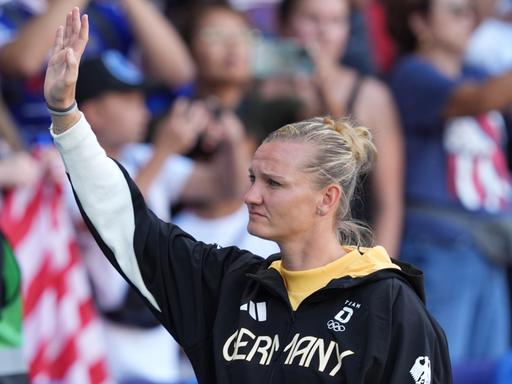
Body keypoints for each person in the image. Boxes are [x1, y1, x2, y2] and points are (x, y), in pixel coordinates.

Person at [45, 8, 451, 383]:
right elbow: (126, 222)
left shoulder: (390, 306)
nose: (250, 195)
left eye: (273, 184)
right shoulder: (227, 283)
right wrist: (66, 116)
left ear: (326, 199)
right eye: (253, 178)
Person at [71, 50, 249, 383]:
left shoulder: (141, 156)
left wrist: (232, 140)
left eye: (143, 97)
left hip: (158, 345)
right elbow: (107, 217)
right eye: (128, 99)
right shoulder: (67, 168)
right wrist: (165, 150)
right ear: (93, 112)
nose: (144, 109)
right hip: (103, 349)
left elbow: (226, 189)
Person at [382, 0, 512, 367]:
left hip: (491, 245)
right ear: (420, 22)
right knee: (437, 365)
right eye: (455, 11)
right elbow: (477, 100)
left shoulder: (477, 71)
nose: (468, 20)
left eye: (471, 11)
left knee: (491, 369)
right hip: (440, 244)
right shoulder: (411, 73)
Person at [260, 0, 404, 258]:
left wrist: (380, 269)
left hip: (345, 253)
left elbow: (388, 203)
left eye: (336, 21)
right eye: (312, 19)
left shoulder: (371, 95)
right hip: (266, 250)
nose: (324, 31)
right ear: (284, 23)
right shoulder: (262, 90)